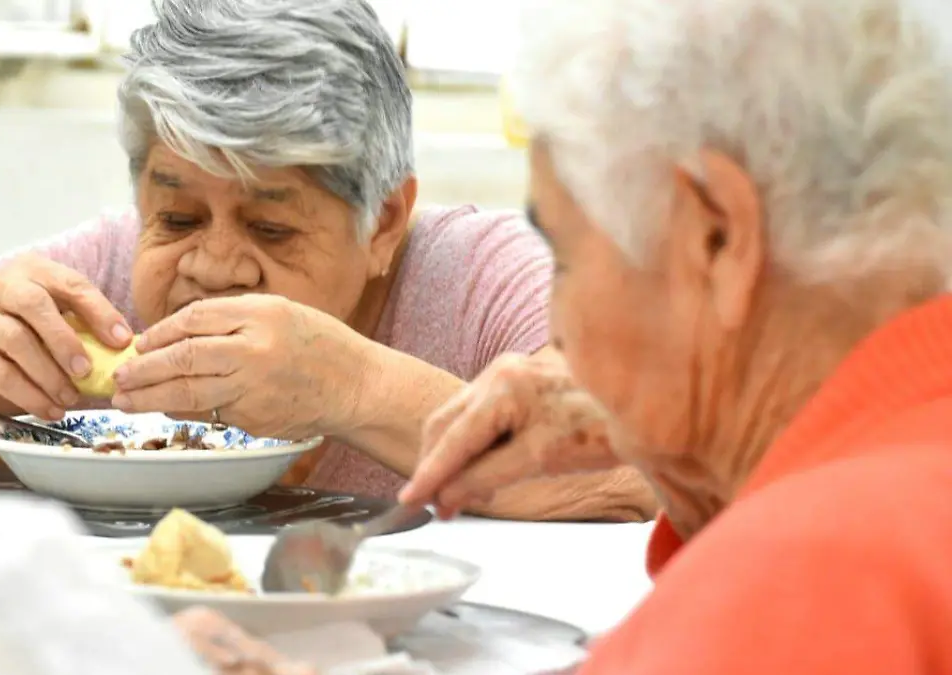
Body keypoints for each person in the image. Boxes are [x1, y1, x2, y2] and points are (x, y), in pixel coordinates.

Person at [0, 0, 654, 522]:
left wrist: (355, 387)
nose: (213, 265)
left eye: (271, 228)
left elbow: (650, 464)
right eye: (179, 215)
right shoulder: (107, 282)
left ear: (386, 220)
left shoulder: (481, 273)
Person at [403, 0, 952, 672]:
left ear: (716, 236)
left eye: (567, 258)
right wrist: (704, 454)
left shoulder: (805, 581)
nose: (555, 329)